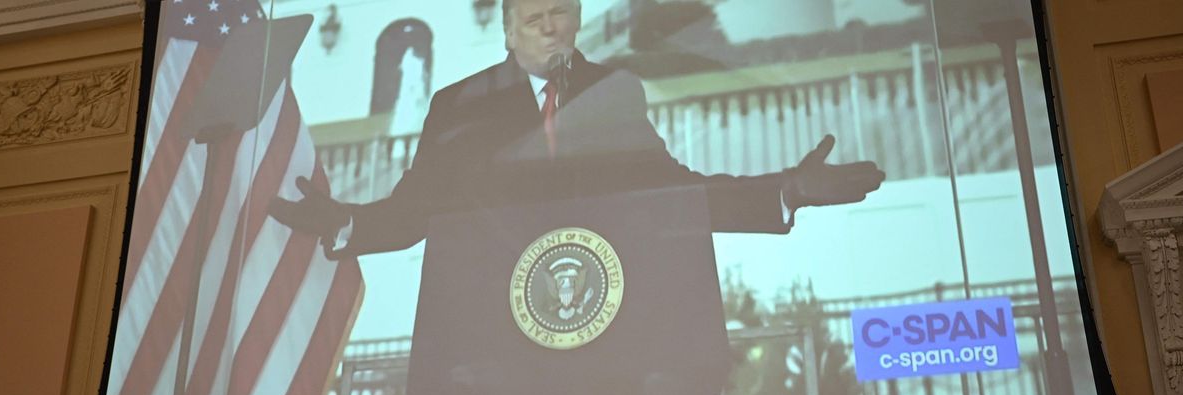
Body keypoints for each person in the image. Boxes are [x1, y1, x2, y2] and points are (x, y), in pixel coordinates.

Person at [270, 0, 884, 258]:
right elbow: (414, 213)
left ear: (577, 21)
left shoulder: (613, 95)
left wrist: (785, 189)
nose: (546, 25)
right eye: (529, 17)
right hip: (490, 340)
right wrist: (347, 220)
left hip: (603, 320)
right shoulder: (459, 105)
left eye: (558, 12)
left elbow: (675, 192)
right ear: (506, 30)